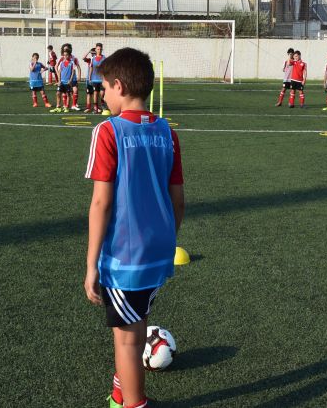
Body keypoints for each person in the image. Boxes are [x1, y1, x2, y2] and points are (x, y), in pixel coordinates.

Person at [84, 47, 185, 408]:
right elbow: (178, 199)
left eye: (104, 88)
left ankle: (134, 404)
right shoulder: (167, 132)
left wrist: (91, 264)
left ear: (120, 86)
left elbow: (101, 202)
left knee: (127, 338)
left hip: (124, 257)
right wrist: (169, 239)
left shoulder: (108, 131)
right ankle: (120, 391)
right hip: (159, 251)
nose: (102, 96)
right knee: (137, 321)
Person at [51, 49, 78, 113]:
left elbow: (73, 72)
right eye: (64, 55)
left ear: (69, 56)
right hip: (62, 82)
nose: (65, 56)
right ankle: (58, 107)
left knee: (68, 94)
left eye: (67, 55)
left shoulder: (72, 63)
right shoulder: (62, 63)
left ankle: (66, 107)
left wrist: (70, 80)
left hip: (68, 82)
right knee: (58, 93)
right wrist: (59, 81)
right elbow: (60, 71)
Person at [83, 43, 106, 114]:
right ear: (96, 49)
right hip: (94, 79)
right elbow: (91, 68)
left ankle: (102, 105)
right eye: (98, 49)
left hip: (102, 79)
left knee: (102, 94)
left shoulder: (104, 58)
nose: (99, 50)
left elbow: (106, 68)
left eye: (100, 49)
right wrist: (90, 78)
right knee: (95, 93)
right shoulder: (92, 58)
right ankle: (96, 108)